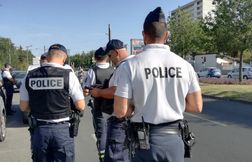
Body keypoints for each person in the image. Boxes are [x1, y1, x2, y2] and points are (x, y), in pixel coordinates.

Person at [114, 7, 203, 162]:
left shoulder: (130, 66)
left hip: (144, 142)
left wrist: (137, 107)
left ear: (144, 35)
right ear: (167, 35)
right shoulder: (185, 65)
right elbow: (196, 106)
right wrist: (171, 104)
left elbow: (120, 111)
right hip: (174, 140)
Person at [19, 43, 85, 162]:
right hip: (62, 131)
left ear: (47, 56)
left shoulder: (30, 76)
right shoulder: (69, 75)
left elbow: (23, 107)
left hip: (39, 130)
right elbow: (80, 105)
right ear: (64, 58)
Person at [90, 39, 134, 162]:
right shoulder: (135, 63)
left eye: (109, 55)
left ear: (116, 52)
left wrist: (98, 92)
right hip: (134, 119)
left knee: (116, 157)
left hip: (121, 121)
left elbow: (116, 90)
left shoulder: (124, 67)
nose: (109, 59)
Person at [83, 47, 114, 162]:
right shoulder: (114, 69)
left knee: (101, 134)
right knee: (112, 132)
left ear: (95, 58)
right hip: (113, 108)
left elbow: (86, 90)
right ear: (107, 57)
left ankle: (102, 158)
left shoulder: (93, 70)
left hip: (99, 108)